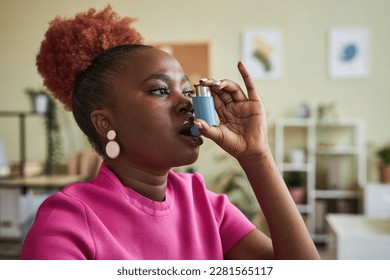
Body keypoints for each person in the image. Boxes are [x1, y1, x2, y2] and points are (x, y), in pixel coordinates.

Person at [20, 5, 320, 260]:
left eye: (188, 90)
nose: (187, 103)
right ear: (105, 122)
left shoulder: (205, 204)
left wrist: (257, 155)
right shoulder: (66, 221)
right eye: (160, 90)